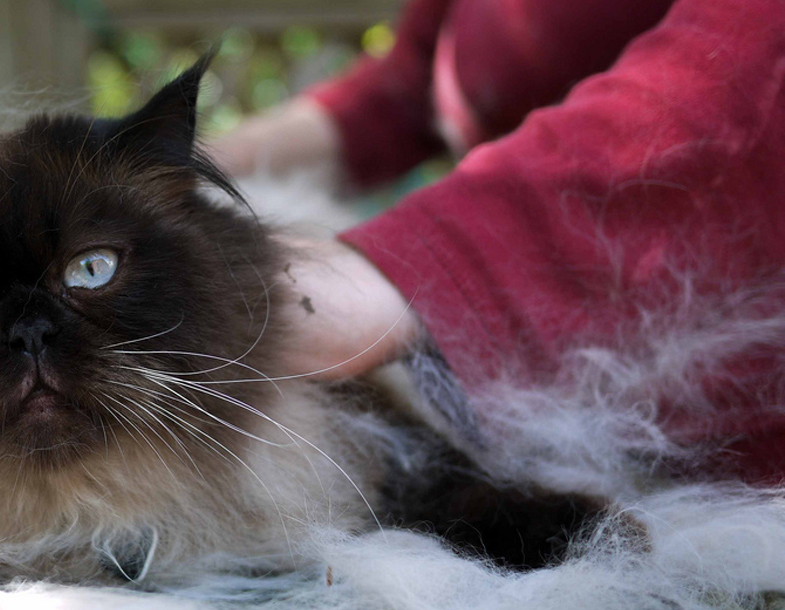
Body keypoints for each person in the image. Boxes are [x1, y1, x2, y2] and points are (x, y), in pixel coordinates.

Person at [210, 0, 785, 483]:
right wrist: (182, 166)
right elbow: (411, 84)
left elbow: (748, 58)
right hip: (538, 425)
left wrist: (408, 268)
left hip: (727, 457)